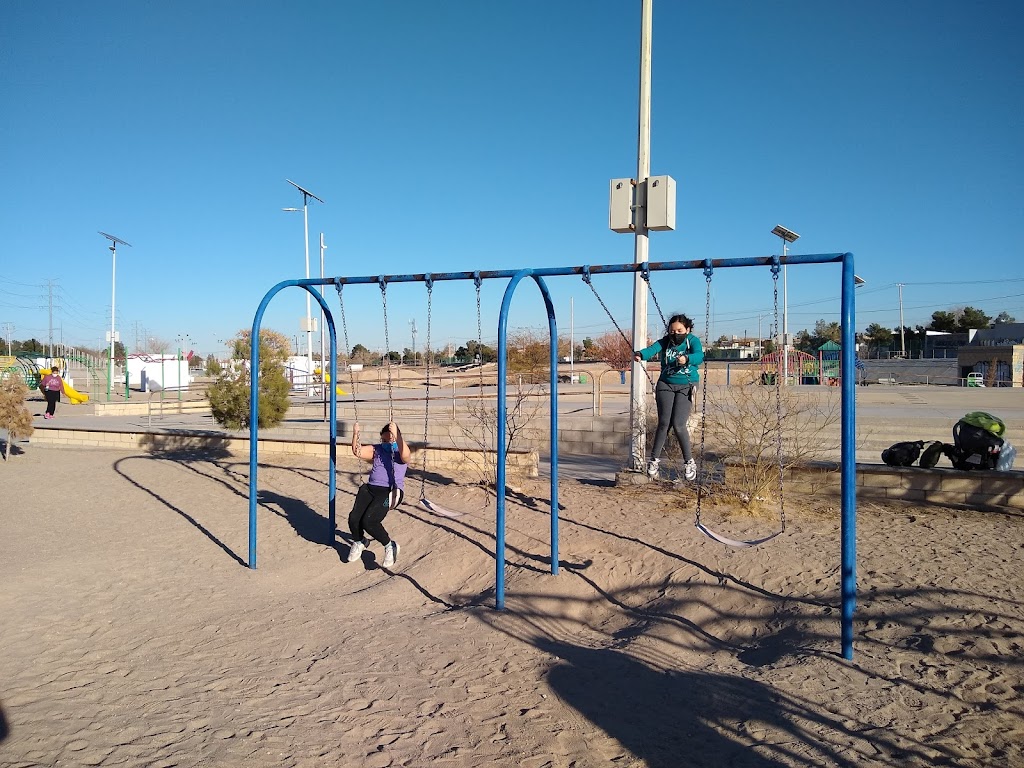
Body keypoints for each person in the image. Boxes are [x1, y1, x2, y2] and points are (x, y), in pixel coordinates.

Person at [634, 314, 705, 481]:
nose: (675, 334)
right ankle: (654, 461)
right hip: (665, 384)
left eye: (679, 330)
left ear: (687, 330)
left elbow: (699, 356)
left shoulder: (692, 341)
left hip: (686, 384)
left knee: (678, 424)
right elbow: (653, 349)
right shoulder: (666, 341)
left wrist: (687, 358)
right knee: (664, 422)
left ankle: (689, 462)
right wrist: (641, 354)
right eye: (672, 331)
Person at [346, 420, 411, 567]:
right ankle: (360, 541)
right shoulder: (378, 449)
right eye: (384, 440)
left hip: (391, 491)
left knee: (369, 521)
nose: (386, 443)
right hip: (371, 489)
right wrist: (356, 434)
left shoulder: (400, 453)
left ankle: (390, 546)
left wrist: (397, 436)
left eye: (390, 440)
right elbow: (358, 451)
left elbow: (406, 454)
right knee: (354, 518)